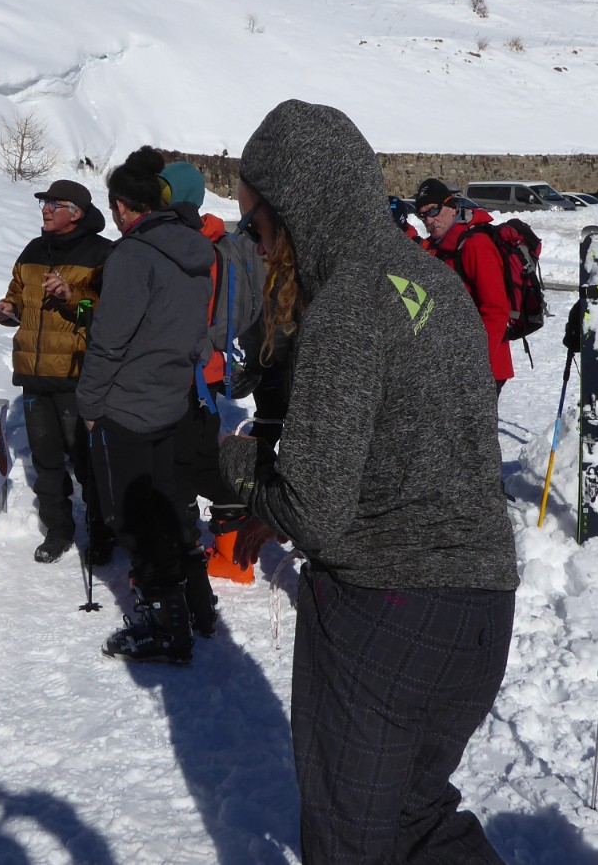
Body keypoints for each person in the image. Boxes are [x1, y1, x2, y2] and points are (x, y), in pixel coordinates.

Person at [218, 100, 518, 863]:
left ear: (298, 209)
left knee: (351, 841)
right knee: (419, 822)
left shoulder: (350, 300)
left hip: (386, 619)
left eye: (256, 224)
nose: (255, 243)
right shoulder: (431, 281)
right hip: (480, 614)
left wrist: (225, 456)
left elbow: (313, 514)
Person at [78, 148, 214, 663]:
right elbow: (196, 333)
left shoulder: (133, 255)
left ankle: (167, 627)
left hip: (128, 407)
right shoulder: (195, 250)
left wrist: (90, 403)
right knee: (168, 504)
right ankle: (198, 609)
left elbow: (110, 342)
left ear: (121, 206)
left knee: (134, 517)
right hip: (169, 400)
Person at [158, 158, 264, 628]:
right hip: (215, 366)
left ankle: (204, 555)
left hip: (183, 369)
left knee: (183, 460)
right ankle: (228, 554)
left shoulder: (185, 247)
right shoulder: (224, 240)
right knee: (200, 452)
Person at [0, 179, 115, 565]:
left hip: (76, 374)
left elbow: (104, 312)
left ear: (75, 213)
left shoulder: (101, 253)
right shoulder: (33, 250)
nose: (45, 209)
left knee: (86, 461)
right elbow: (17, 296)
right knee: (45, 461)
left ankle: (101, 532)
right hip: (33, 372)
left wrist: (71, 296)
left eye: (53, 204)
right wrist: (5, 309)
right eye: (43, 203)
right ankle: (59, 531)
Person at [414, 176, 515, 394]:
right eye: (422, 215)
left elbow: (496, 310)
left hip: (483, 365)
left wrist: (474, 364)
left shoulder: (475, 245)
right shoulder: (440, 247)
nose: (429, 220)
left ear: (451, 206)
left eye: (433, 211)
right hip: (453, 362)